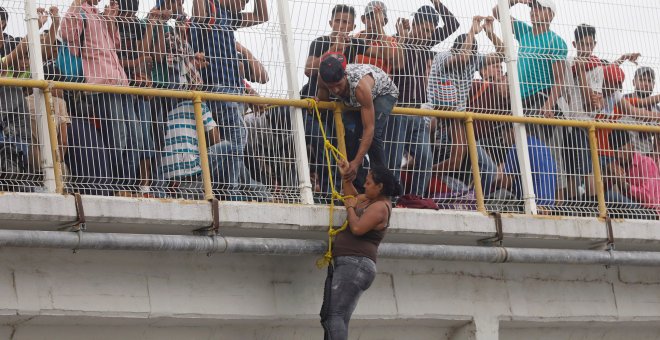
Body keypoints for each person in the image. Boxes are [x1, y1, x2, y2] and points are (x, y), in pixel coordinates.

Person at [60, 0, 145, 196]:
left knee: (136, 139)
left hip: (120, 83)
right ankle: (117, 186)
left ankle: (126, 185)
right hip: (102, 84)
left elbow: (115, 44)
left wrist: (110, 19)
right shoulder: (79, 11)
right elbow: (66, 34)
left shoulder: (98, 14)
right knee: (118, 138)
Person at [190, 0, 269, 199]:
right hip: (218, 88)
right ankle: (232, 192)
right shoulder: (210, 10)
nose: (244, 4)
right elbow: (199, 17)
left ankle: (245, 188)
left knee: (234, 145)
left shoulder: (229, 15)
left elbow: (262, 17)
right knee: (237, 139)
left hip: (233, 90)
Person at [493, 0, 568, 202]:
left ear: (550, 15)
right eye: (533, 7)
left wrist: (549, 105)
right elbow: (497, 12)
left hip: (540, 100)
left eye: (540, 8)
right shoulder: (525, 32)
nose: (534, 11)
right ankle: (527, 198)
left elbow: (560, 80)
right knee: (521, 150)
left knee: (547, 155)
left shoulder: (555, 42)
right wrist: (515, 1)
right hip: (521, 102)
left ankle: (554, 204)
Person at [320, 161, 400, 340]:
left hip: (356, 264)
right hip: (350, 263)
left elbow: (357, 228)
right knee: (333, 316)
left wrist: (349, 207)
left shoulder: (381, 207)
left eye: (369, 182)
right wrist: (345, 177)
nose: (364, 184)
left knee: (334, 316)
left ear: (380, 187)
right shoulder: (370, 199)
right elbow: (353, 197)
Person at [426, 16, 504, 197]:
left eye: (472, 59)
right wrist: (472, 31)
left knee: (485, 168)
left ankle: (474, 200)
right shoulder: (444, 57)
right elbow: (462, 57)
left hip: (456, 118)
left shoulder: (473, 59)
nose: (469, 63)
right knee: (424, 153)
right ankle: (417, 171)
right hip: (435, 113)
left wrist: (490, 33)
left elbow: (502, 53)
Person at [389, 1, 459, 196]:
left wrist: (436, 2)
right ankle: (393, 200)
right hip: (397, 111)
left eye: (431, 31)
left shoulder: (425, 44)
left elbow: (453, 24)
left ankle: (415, 197)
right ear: (415, 24)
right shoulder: (397, 40)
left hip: (417, 113)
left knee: (425, 159)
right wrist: (402, 38)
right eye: (426, 30)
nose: (429, 35)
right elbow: (395, 63)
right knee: (393, 161)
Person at [317, 53, 399, 191]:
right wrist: (320, 99)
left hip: (383, 93)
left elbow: (369, 129)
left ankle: (385, 189)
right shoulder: (322, 79)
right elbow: (324, 100)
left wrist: (355, 162)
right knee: (348, 135)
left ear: (344, 76)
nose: (336, 90)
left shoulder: (360, 86)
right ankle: (361, 187)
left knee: (373, 137)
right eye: (331, 87)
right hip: (353, 101)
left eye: (338, 85)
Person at [606, 129, 660, 218]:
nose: (618, 155)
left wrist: (626, 186)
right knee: (604, 197)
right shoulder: (616, 165)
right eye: (615, 151)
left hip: (650, 212)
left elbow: (650, 198)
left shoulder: (646, 162)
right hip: (632, 207)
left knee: (612, 197)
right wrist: (607, 172)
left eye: (622, 150)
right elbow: (602, 190)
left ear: (632, 147)